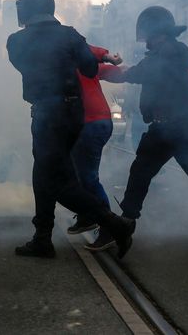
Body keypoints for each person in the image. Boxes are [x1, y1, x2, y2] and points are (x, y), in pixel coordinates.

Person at [87, 6, 188, 251]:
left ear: (153, 30)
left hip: (171, 126)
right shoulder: (169, 49)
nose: (145, 39)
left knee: (141, 173)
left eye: (146, 33)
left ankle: (124, 224)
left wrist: (119, 73)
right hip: (180, 125)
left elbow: (148, 71)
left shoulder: (171, 50)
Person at [6, 0, 135, 259]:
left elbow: (23, 66)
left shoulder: (16, 41)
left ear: (26, 9)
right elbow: (89, 68)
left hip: (47, 113)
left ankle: (115, 224)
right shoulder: (71, 35)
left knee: (55, 181)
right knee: (44, 175)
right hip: (73, 113)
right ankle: (42, 237)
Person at [67, 45, 124, 235]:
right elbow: (109, 71)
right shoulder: (81, 65)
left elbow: (89, 52)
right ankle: (87, 216)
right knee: (81, 176)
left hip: (91, 124)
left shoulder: (68, 65)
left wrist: (107, 56)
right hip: (93, 124)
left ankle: (110, 227)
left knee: (88, 178)